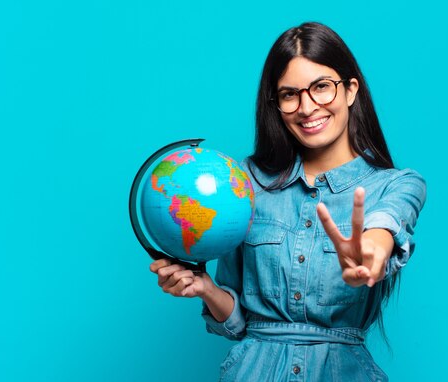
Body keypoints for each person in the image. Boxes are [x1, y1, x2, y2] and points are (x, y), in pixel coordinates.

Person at [150, 22, 426, 381]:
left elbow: (385, 228)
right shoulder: (246, 183)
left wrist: (371, 251)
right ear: (276, 104)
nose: (307, 107)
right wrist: (208, 290)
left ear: (350, 90)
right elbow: (237, 325)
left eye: (322, 87)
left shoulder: (397, 185)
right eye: (289, 94)